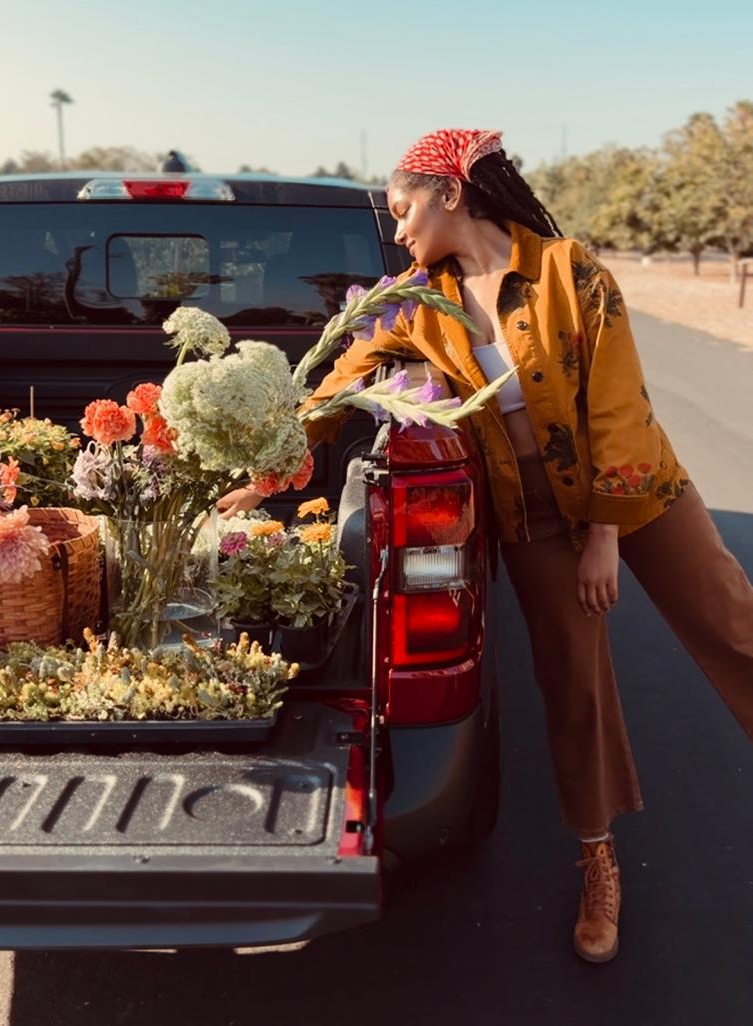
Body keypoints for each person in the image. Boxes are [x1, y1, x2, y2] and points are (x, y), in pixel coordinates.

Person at [217, 128, 753, 963]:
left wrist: (605, 534)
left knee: (734, 623)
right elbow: (339, 381)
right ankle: (598, 861)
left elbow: (616, 404)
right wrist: (270, 466)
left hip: (636, 490)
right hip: (532, 519)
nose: (397, 232)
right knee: (572, 685)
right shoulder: (412, 302)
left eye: (403, 212)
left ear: (451, 193)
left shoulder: (569, 272)